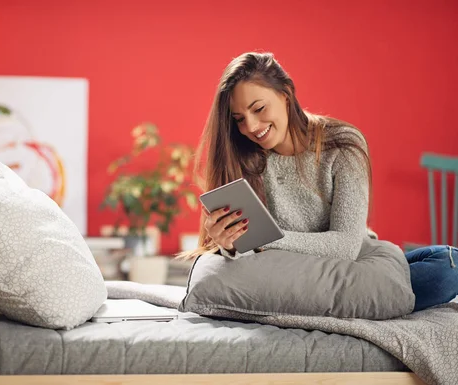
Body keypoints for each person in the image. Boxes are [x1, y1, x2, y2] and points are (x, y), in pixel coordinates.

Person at [187, 52, 457, 312]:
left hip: (346, 266)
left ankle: (360, 298)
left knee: (446, 266)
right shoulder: (243, 156)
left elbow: (346, 247)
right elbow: (244, 259)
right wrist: (229, 244)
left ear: (286, 94)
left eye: (258, 108)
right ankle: (370, 302)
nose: (252, 126)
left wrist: (264, 241)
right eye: (239, 120)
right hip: (288, 273)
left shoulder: (341, 144)